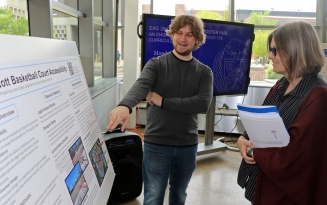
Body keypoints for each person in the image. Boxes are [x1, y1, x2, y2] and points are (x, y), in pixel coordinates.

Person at [107, 15, 213, 205]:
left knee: (179, 195)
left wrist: (163, 101)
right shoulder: (156, 64)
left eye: (189, 34)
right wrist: (125, 106)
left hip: (187, 145)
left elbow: (202, 104)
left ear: (197, 39)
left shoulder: (204, 72)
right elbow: (141, 85)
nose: (183, 38)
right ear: (172, 35)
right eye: (179, 33)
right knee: (153, 198)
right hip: (157, 144)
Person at [236, 21, 327, 205]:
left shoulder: (319, 96)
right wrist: (242, 140)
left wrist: (254, 150)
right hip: (264, 182)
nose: (270, 56)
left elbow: (295, 159)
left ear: (296, 50)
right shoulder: (281, 85)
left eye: (275, 50)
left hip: (287, 194)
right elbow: (259, 123)